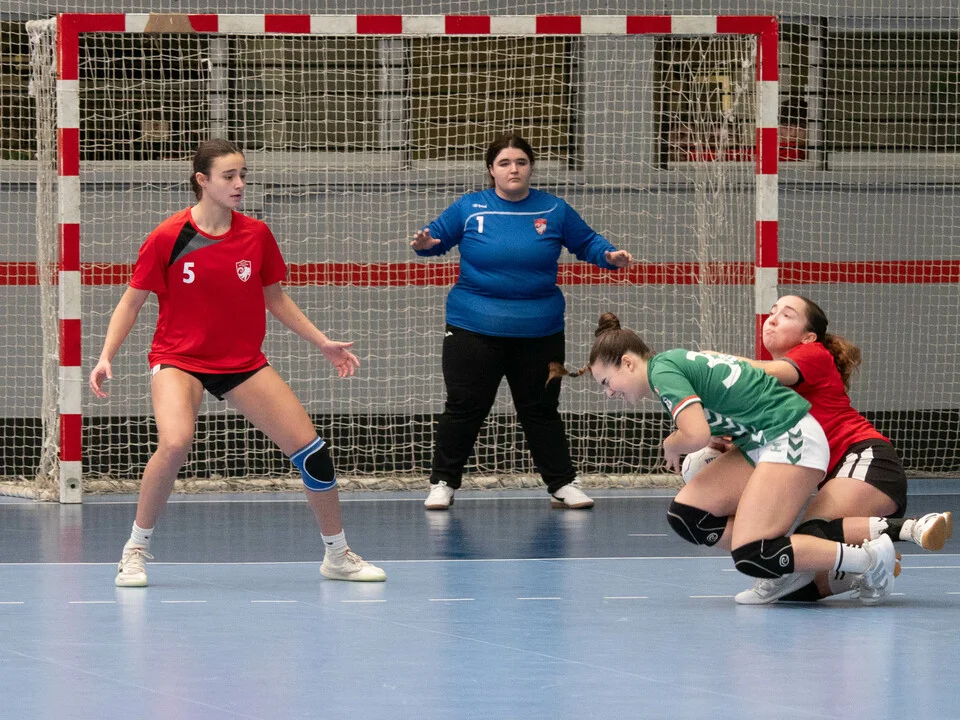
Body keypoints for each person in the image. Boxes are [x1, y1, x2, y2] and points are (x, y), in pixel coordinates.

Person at [89, 139, 385, 587]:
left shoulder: (256, 234)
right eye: (229, 176)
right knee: (175, 442)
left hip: (241, 362)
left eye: (242, 175)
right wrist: (105, 356)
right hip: (179, 358)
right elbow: (131, 302)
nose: (239, 183)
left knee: (313, 453)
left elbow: (275, 298)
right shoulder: (168, 236)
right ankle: (134, 549)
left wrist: (322, 341)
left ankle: (337, 555)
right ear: (202, 180)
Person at [552, 312, 900, 606]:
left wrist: (672, 444)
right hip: (762, 440)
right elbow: (722, 414)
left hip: (790, 435)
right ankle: (783, 565)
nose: (608, 392)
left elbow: (694, 434)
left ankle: (868, 559)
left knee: (754, 554)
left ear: (628, 362)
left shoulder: (662, 373)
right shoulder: (670, 365)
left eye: (606, 381)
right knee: (688, 516)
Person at [410, 133, 633, 511]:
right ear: (491, 170)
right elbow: (435, 239)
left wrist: (609, 256)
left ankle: (562, 484)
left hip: (540, 331)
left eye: (521, 162)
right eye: (504, 163)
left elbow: (588, 243)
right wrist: (425, 244)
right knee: (464, 407)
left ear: (530, 167)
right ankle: (443, 482)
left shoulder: (555, 209)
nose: (513, 169)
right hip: (471, 328)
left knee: (541, 410)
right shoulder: (469, 207)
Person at [681, 295, 952, 604]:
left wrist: (714, 361)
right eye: (772, 312)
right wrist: (720, 442)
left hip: (864, 457)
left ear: (809, 336)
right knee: (793, 579)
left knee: (812, 533)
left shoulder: (813, 354)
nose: (773, 319)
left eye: (787, 315)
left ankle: (911, 528)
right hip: (837, 475)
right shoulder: (763, 385)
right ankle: (864, 570)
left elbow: (758, 373)